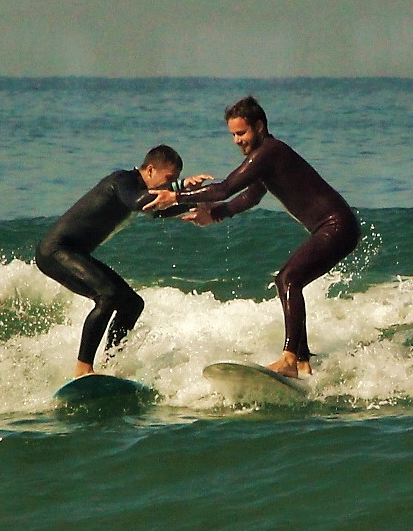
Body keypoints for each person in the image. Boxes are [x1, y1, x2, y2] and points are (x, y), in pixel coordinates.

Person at [174, 96, 360, 378]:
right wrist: (214, 215)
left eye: (241, 133)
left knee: (287, 279)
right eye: (233, 135)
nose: (237, 140)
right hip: (337, 227)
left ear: (259, 127)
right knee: (289, 280)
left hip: (336, 226)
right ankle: (302, 361)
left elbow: (225, 188)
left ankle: (289, 357)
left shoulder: (269, 152)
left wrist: (176, 196)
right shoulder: (268, 159)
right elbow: (250, 197)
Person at [36, 145, 186, 377]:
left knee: (132, 303)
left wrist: (199, 203)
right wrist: (181, 191)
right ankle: (83, 368)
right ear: (149, 169)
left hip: (75, 253)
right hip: (56, 251)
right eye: (167, 180)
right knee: (107, 295)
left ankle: (112, 364)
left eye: (173, 182)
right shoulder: (123, 180)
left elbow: (155, 210)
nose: (167, 187)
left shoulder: (137, 188)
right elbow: (139, 202)